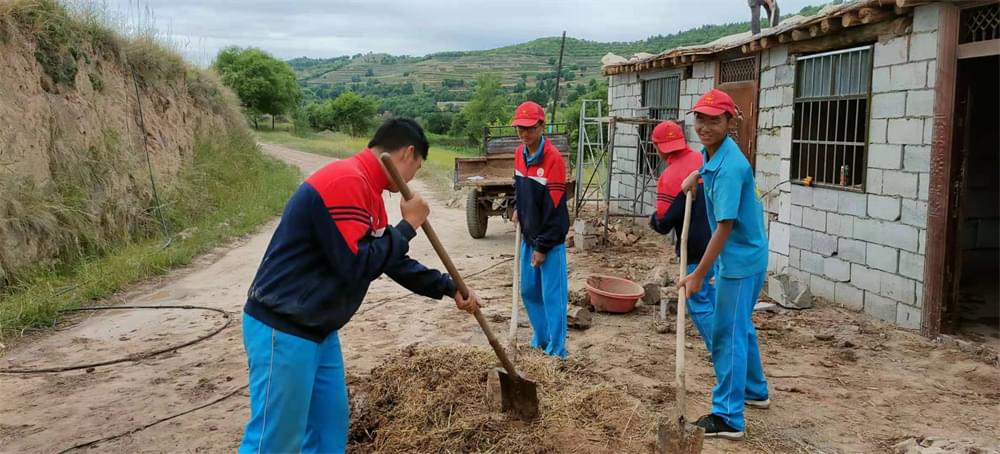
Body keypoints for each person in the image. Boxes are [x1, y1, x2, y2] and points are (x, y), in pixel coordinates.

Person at [239, 118, 481, 453]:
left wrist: (447, 286)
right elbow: (356, 265)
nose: (413, 177)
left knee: (327, 433)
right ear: (408, 153)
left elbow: (389, 260)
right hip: (284, 328)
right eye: (418, 167)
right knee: (275, 441)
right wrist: (409, 224)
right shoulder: (345, 181)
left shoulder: (369, 191)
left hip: (319, 329)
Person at [678, 89, 770, 441]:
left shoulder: (732, 168)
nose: (704, 126)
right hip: (744, 254)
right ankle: (755, 390)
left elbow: (724, 227)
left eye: (714, 120)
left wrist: (699, 273)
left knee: (726, 332)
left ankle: (729, 416)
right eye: (700, 118)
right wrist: (695, 176)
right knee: (739, 327)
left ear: (729, 122)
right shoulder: (716, 154)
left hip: (740, 260)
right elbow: (708, 163)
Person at [647, 120, 716, 353]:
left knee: (699, 300)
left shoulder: (670, 176)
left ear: (657, 147)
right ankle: (732, 353)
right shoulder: (705, 160)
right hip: (724, 245)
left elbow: (664, 223)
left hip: (696, 249)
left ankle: (722, 351)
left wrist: (653, 220)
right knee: (719, 303)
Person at [510, 101, 569, 358]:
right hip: (528, 236)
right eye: (519, 129)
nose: (524, 134)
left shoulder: (553, 159)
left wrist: (543, 247)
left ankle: (557, 349)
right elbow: (518, 187)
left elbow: (555, 211)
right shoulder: (519, 154)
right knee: (528, 291)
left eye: (529, 128)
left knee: (552, 296)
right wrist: (517, 207)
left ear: (541, 126)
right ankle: (541, 338)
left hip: (549, 242)